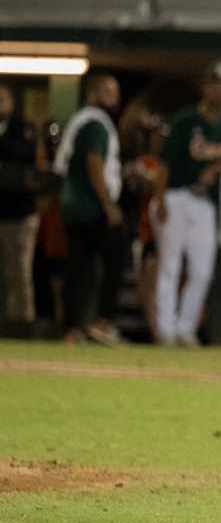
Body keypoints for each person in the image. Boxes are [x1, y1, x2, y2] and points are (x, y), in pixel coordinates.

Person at [153, 61, 221, 346]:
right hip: (176, 195)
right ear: (204, 87)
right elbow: (164, 163)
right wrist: (160, 198)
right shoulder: (184, 120)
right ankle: (165, 330)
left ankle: (185, 327)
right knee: (169, 265)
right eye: (213, 83)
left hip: (205, 201)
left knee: (202, 270)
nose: (218, 89)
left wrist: (219, 167)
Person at [53, 73, 128, 346]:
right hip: (93, 205)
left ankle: (73, 327)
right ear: (92, 92)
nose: (114, 97)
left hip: (74, 204)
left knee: (78, 266)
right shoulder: (95, 121)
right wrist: (109, 205)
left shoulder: (80, 119)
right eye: (107, 90)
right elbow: (94, 163)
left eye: (116, 91)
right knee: (116, 258)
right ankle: (101, 322)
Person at [0, 84, 41, 333]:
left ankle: (22, 326)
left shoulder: (21, 128)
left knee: (19, 272)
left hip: (19, 214)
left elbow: (23, 152)